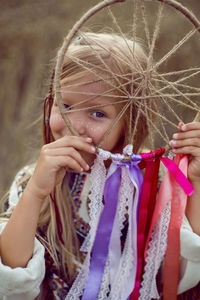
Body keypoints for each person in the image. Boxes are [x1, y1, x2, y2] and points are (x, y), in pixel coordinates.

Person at [0, 32, 200, 300]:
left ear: (131, 122)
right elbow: (12, 280)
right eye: (65, 105)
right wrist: (35, 192)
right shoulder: (31, 180)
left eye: (97, 113)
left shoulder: (161, 181)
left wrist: (196, 183)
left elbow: (183, 274)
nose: (73, 125)